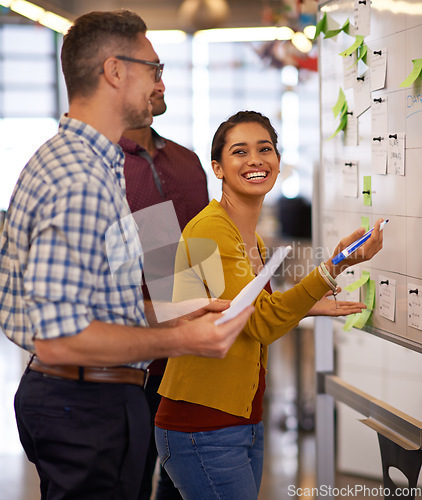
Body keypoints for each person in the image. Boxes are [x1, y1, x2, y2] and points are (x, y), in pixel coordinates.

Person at [0, 11, 253, 500]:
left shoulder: (111, 165)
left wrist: (179, 316)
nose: (160, 82)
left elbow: (106, 300)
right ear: (116, 71)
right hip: (86, 396)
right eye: (153, 69)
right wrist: (183, 339)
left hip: (101, 388)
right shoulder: (80, 178)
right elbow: (59, 339)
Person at [154, 111, 384, 500]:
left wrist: (306, 306)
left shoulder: (253, 240)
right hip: (203, 425)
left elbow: (241, 312)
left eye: (265, 149)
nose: (256, 160)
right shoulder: (212, 229)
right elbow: (260, 323)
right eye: (239, 152)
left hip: (241, 418)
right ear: (218, 168)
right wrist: (334, 267)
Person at [119, 77, 208, 499]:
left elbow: (198, 262)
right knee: (128, 485)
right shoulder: (100, 167)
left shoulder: (188, 163)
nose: (163, 83)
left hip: (188, 364)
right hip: (125, 369)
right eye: (152, 73)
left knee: (181, 484)